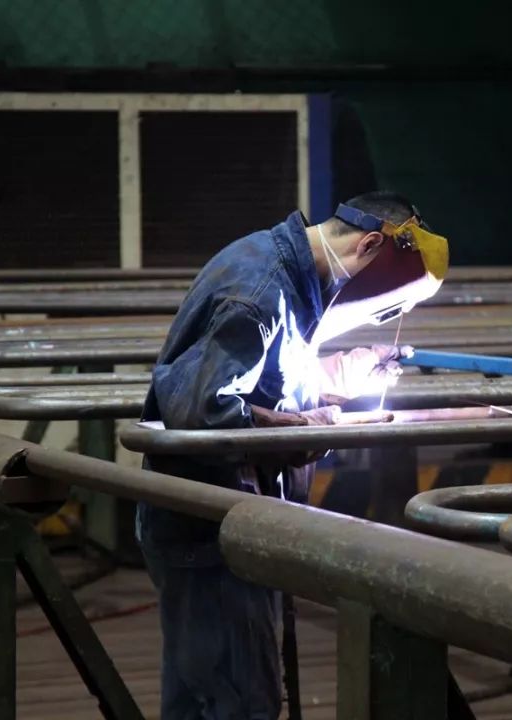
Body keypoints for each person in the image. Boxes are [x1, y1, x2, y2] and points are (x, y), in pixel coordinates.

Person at [136, 191, 449, 719]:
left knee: (203, 700)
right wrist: (318, 425)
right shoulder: (259, 293)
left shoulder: (284, 270)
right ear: (370, 244)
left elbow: (259, 381)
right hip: (210, 533)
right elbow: (204, 413)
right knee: (242, 704)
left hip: (227, 523)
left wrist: (337, 378)